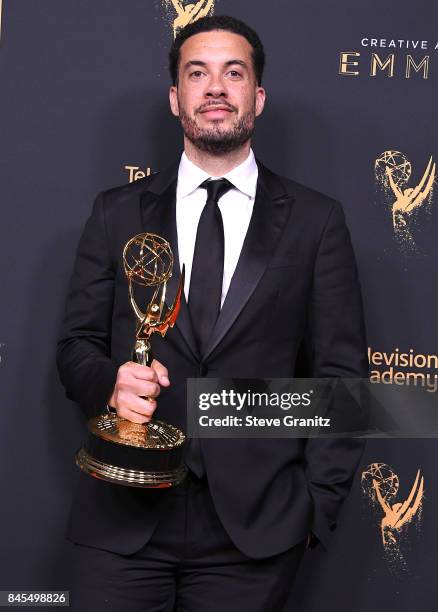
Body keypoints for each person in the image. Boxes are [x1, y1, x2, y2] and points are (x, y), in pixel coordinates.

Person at [57, 15, 368, 612]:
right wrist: (111, 385)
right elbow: (75, 348)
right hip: (121, 517)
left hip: (254, 534)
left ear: (259, 95)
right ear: (176, 98)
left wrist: (313, 506)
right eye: (197, 73)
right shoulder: (115, 213)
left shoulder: (315, 222)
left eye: (234, 72)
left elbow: (343, 385)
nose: (216, 88)